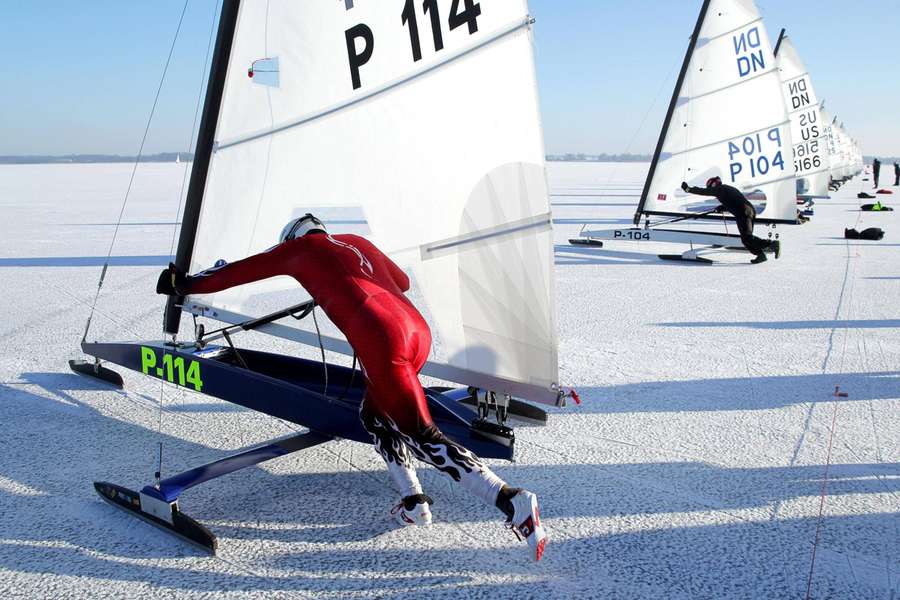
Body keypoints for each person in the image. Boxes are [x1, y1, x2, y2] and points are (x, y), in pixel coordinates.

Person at [156, 214, 547, 560]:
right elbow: (403, 282)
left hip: (382, 341)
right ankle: (414, 500)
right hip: (415, 332)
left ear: (293, 238)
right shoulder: (357, 242)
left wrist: (183, 282)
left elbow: (236, 273)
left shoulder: (299, 250)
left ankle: (510, 500)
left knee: (423, 434)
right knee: (375, 418)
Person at [681, 177, 781, 264]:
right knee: (745, 239)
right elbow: (733, 201)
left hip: (743, 213)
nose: (711, 190)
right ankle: (760, 255)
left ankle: (772, 244)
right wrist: (722, 207)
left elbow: (704, 192)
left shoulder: (720, 189)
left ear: (713, 185)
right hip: (749, 211)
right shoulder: (727, 189)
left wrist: (688, 189)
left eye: (710, 187)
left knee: (747, 238)